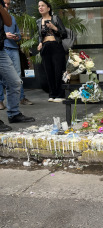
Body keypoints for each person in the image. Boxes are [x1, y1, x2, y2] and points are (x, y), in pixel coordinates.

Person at [0, 0, 35, 132]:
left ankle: (14, 114)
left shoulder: (3, 9)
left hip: (1, 50)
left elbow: (8, 22)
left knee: (15, 81)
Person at [37, 0, 67, 103]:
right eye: (39, 6)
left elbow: (64, 34)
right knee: (48, 72)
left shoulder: (55, 18)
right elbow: (40, 36)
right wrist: (40, 43)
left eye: (42, 6)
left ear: (48, 8)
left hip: (56, 46)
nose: (40, 7)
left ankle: (60, 94)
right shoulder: (38, 21)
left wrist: (53, 27)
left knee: (58, 71)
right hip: (45, 47)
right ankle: (52, 94)